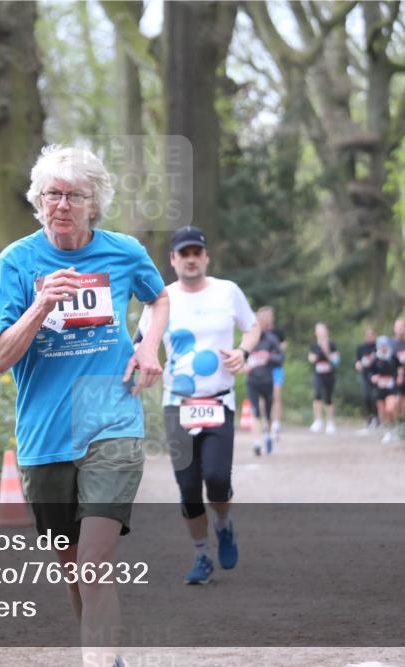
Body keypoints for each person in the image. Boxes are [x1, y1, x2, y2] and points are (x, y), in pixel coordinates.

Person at [0, 144, 169, 667]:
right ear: (38, 201)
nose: (62, 205)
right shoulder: (15, 264)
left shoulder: (124, 252)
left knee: (93, 561)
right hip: (44, 435)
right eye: (52, 194)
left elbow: (158, 297)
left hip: (111, 421)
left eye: (74, 195)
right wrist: (42, 304)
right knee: (75, 569)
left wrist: (147, 345)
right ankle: (105, 656)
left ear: (95, 202)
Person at [138, 225, 259, 585]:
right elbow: (142, 340)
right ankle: (202, 554)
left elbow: (252, 327)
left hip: (219, 401)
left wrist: (242, 351)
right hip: (178, 404)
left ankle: (223, 524)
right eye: (183, 254)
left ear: (206, 257)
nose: (191, 260)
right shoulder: (162, 298)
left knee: (218, 480)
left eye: (196, 253)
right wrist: (138, 364)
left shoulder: (228, 292)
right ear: (173, 260)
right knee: (188, 487)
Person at [246, 307, 285, 455]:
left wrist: (269, 357)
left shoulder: (271, 340)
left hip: (267, 381)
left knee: (267, 414)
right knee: (255, 411)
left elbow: (281, 358)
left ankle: (268, 435)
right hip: (252, 382)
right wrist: (243, 364)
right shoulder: (248, 340)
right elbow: (241, 356)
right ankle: (257, 442)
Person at [257, 306, 287, 442]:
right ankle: (265, 422)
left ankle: (276, 424)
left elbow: (282, 348)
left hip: (276, 368)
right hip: (262, 370)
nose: (266, 318)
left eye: (268, 316)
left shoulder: (277, 332)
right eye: (263, 316)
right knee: (263, 398)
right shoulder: (257, 332)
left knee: (276, 395)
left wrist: (270, 354)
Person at [308, 322, 340, 434]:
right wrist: (316, 355)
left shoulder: (331, 344)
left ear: (326, 331)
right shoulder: (314, 345)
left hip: (329, 374)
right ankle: (318, 420)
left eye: (323, 330)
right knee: (317, 395)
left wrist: (326, 352)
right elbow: (311, 358)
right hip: (318, 374)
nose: (321, 332)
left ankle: (330, 423)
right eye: (318, 330)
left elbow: (336, 361)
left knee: (328, 398)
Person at [370, 335, 401, 443]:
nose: (383, 348)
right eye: (381, 346)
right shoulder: (375, 359)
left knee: (390, 408)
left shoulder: (393, 357)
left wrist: (399, 377)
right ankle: (388, 432)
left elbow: (400, 368)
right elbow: (370, 372)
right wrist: (373, 377)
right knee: (383, 411)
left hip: (391, 387)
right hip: (380, 388)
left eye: (385, 345)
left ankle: (396, 428)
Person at [355, 327, 379, 430]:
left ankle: (378, 417)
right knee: (367, 397)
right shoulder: (361, 347)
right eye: (367, 335)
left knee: (376, 397)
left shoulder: (378, 347)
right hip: (365, 376)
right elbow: (358, 361)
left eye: (371, 334)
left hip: (377, 376)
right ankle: (370, 417)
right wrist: (358, 365)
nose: (369, 337)